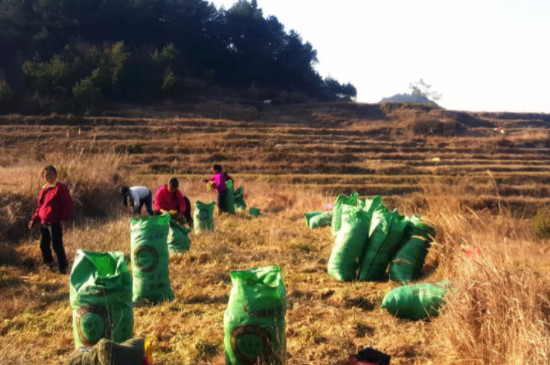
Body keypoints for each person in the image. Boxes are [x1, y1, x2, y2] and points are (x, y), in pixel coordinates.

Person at [28, 165, 73, 274]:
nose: (48, 177)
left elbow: (67, 204)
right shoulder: (44, 189)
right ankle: (49, 265)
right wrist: (34, 219)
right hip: (44, 222)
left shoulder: (60, 188)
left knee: (56, 245)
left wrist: (64, 218)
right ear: (43, 177)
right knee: (43, 245)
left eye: (51, 174)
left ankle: (63, 268)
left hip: (55, 222)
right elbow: (40, 207)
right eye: (46, 175)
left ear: (55, 175)